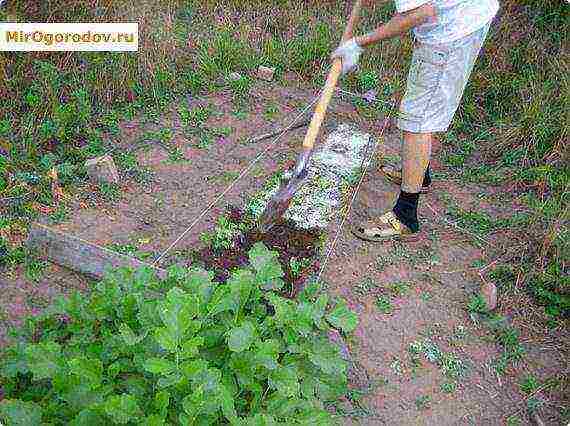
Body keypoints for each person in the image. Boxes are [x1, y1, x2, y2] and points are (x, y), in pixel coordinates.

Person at [332, 0, 499, 242]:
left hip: (452, 31)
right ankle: (421, 175)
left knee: (418, 120)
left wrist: (359, 43)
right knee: (425, 107)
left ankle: (405, 215)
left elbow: (420, 12)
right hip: (469, 15)